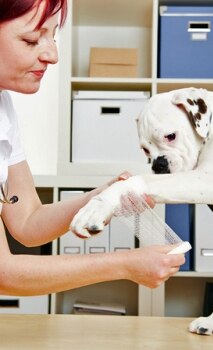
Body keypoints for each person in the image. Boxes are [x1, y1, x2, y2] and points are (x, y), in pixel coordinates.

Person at [0, 0, 185, 297]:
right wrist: (124, 266)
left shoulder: (3, 106)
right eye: (31, 39)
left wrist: (105, 195)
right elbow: (3, 272)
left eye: (53, 37)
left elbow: (27, 221)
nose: (53, 55)